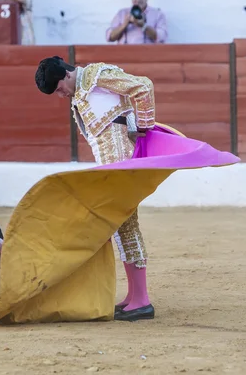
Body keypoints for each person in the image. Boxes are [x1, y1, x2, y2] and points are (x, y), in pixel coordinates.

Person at [34, 56, 156, 321]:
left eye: (57, 89)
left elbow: (143, 86)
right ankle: (134, 296)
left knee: (126, 225)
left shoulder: (98, 76)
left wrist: (145, 131)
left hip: (121, 165)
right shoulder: (80, 91)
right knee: (121, 227)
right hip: (109, 167)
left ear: (66, 75)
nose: (59, 95)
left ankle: (142, 300)